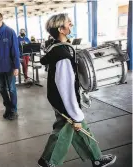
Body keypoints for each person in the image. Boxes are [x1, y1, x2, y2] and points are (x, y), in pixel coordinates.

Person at [38, 14, 116, 167]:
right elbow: (65, 86)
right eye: (69, 24)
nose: (71, 26)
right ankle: (49, 161)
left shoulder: (57, 48)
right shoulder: (63, 55)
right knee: (65, 130)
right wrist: (75, 114)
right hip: (63, 101)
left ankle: (97, 158)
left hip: (58, 99)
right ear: (61, 29)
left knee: (80, 128)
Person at [0, 12, 20, 120]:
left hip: (9, 66)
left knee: (11, 89)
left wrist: (16, 66)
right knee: (2, 88)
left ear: (1, 19)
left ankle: (14, 110)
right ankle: (7, 107)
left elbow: (15, 50)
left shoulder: (10, 32)